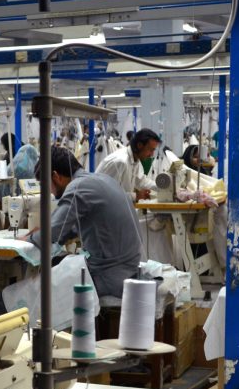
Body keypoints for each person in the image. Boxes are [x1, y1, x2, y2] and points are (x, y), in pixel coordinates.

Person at [29, 147, 141, 298]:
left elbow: (51, 234)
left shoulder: (78, 187)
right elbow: (75, 228)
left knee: (31, 291)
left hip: (108, 278)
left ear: (55, 176)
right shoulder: (103, 179)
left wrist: (28, 239)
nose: (49, 191)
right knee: (57, 264)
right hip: (129, 270)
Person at [95, 127, 160, 200]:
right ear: (139, 145)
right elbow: (107, 194)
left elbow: (141, 182)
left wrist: (164, 186)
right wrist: (136, 196)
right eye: (150, 150)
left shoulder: (135, 160)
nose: (152, 154)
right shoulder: (121, 161)